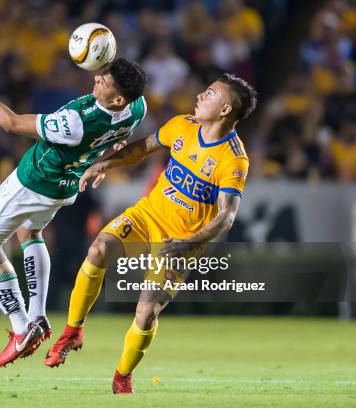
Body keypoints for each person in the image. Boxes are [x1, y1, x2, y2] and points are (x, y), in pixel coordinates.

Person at [45, 74, 257, 394]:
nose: (200, 95)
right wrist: (107, 164)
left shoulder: (233, 158)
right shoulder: (183, 125)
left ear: (225, 109)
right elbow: (144, 147)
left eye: (210, 93)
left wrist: (187, 244)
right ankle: (72, 331)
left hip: (181, 240)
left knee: (146, 312)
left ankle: (122, 378)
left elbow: (226, 217)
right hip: (147, 216)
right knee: (99, 248)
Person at [0, 58, 148, 366]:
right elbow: (118, 132)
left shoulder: (76, 123)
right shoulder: (137, 107)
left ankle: (21, 329)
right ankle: (38, 318)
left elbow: (10, 123)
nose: (97, 78)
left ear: (117, 99)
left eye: (105, 80)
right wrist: (103, 154)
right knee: (29, 232)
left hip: (33, 182)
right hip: (65, 187)